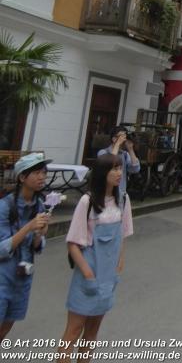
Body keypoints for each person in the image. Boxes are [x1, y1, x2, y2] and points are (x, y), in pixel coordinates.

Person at [60, 154, 133, 358]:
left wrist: (119, 267)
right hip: (87, 276)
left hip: (108, 278)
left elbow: (123, 236)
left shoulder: (123, 200)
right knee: (73, 332)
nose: (119, 173)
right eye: (114, 169)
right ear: (102, 173)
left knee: (92, 333)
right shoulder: (87, 201)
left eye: (120, 168)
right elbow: (73, 244)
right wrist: (88, 275)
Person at [0, 153, 51, 340]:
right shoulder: (5, 206)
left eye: (44, 173)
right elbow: (2, 249)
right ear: (22, 177)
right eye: (37, 173)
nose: (42, 177)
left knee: (6, 327)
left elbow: (36, 247)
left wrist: (39, 234)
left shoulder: (39, 205)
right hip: (3, 277)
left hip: (22, 277)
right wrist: (29, 227)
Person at [98, 126, 140, 197]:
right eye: (121, 136)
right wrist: (117, 144)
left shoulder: (125, 154)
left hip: (120, 193)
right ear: (114, 139)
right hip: (104, 193)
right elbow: (109, 165)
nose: (124, 139)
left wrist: (130, 149)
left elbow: (135, 169)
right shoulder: (103, 152)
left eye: (125, 136)